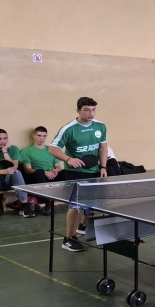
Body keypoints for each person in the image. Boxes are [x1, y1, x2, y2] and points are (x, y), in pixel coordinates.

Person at [49, 97, 108, 253]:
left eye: (93, 110)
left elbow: (103, 147)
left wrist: (103, 166)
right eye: (87, 110)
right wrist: (68, 159)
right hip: (75, 172)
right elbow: (53, 148)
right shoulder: (69, 129)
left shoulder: (100, 126)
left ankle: (83, 226)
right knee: (75, 206)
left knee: (92, 202)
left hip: (94, 170)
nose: (91, 113)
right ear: (78, 111)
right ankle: (69, 238)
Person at [0, 129, 34, 218]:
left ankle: (24, 205)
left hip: (9, 180)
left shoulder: (14, 149)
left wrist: (5, 151)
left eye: (5, 138)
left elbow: (14, 167)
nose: (3, 141)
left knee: (17, 173)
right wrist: (3, 171)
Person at [21, 126, 65, 215]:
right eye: (39, 135)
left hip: (51, 176)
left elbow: (58, 167)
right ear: (34, 136)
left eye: (44, 136)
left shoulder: (51, 150)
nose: (41, 138)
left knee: (66, 172)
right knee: (40, 171)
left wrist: (55, 171)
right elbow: (27, 170)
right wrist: (45, 172)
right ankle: (48, 203)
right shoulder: (27, 151)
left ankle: (72, 200)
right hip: (37, 177)